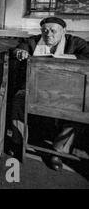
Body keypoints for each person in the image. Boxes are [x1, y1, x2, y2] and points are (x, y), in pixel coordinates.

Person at [10, 17, 89, 170]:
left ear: (64, 31)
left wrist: (65, 58)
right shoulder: (34, 41)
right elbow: (21, 47)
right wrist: (20, 51)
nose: (48, 34)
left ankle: (58, 151)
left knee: (78, 109)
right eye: (45, 31)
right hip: (37, 89)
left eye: (53, 31)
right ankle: (18, 143)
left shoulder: (75, 42)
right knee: (19, 99)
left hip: (67, 91)